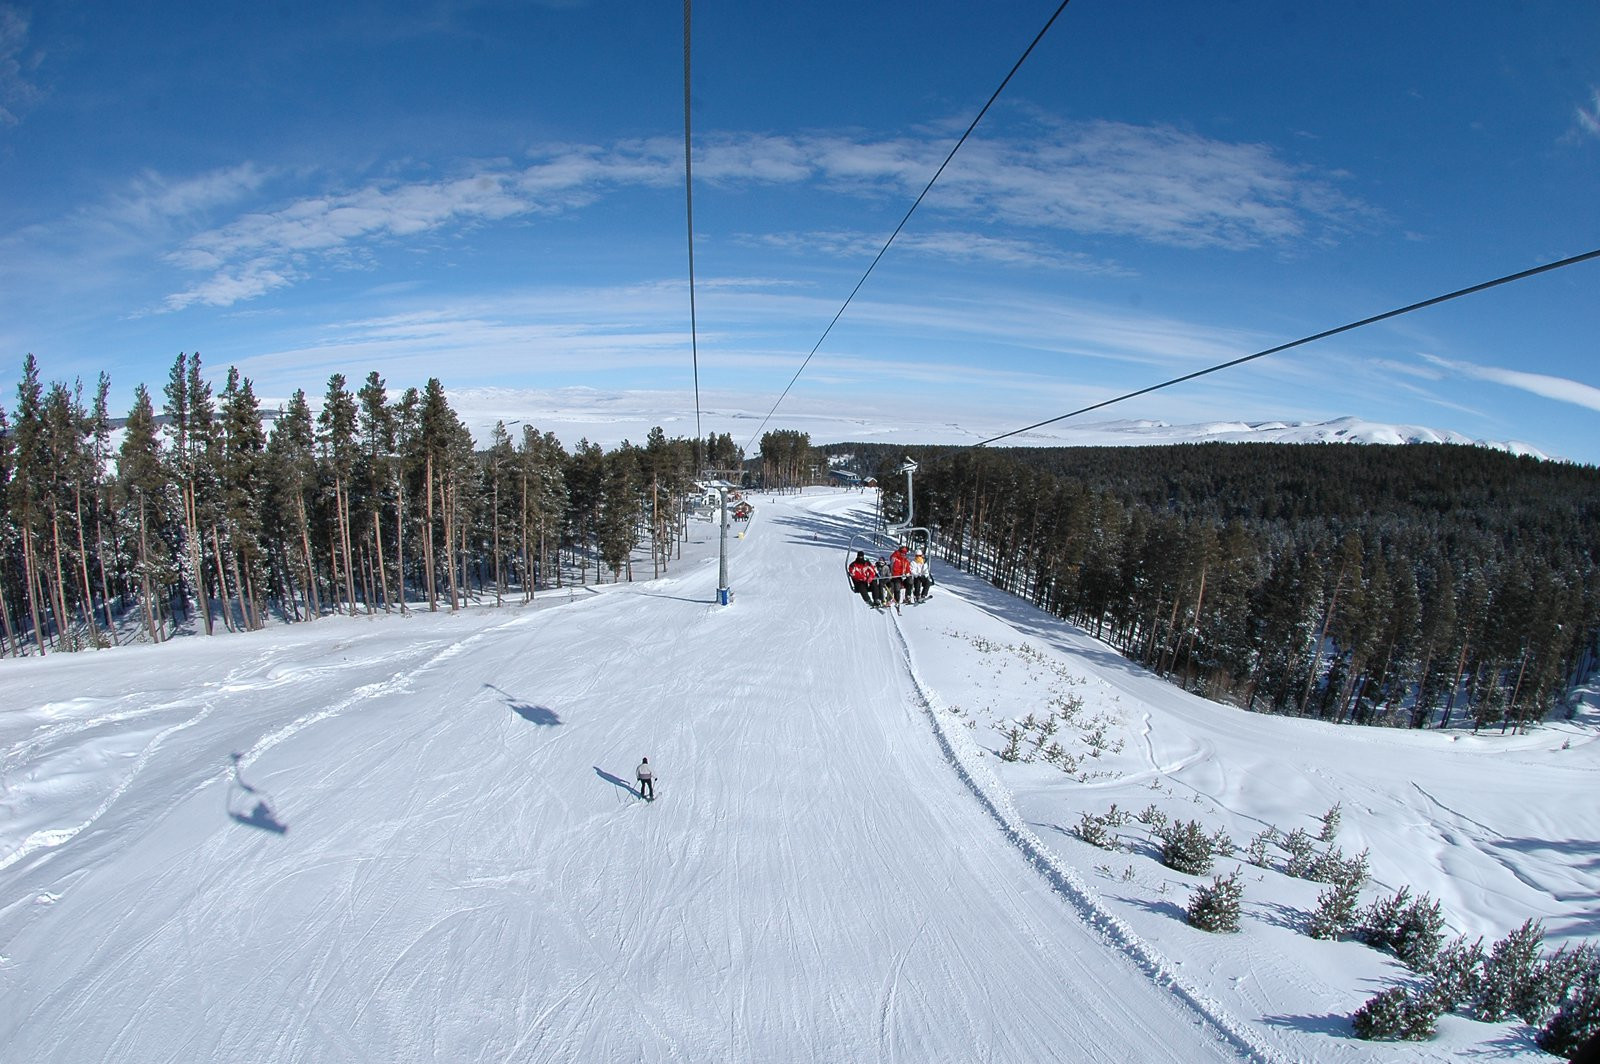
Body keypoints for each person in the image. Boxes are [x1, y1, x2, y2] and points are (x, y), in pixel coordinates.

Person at [889, 544, 912, 608]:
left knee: (910, 581)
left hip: (903, 576)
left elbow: (907, 568)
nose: (903, 554)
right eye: (902, 552)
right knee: (897, 586)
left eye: (905, 553)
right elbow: (892, 563)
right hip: (896, 576)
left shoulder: (906, 560)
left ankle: (908, 596)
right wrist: (897, 552)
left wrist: (908, 573)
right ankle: (897, 600)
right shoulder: (895, 558)